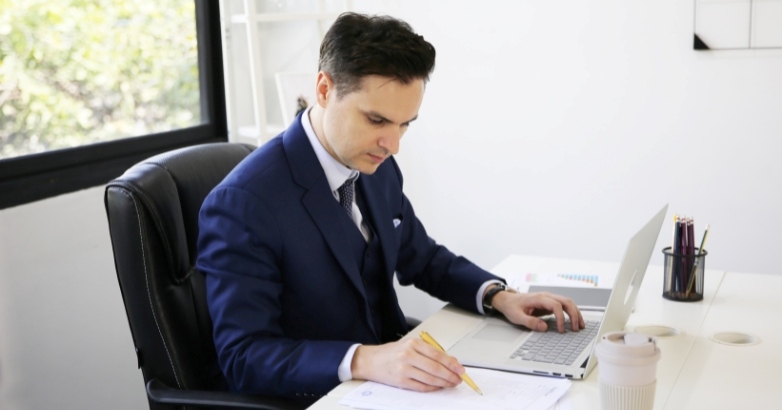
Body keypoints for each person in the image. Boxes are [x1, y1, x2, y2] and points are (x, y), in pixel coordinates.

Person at [197, 12, 584, 405]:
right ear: (324, 89)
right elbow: (244, 357)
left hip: (395, 389)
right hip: (321, 398)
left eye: (405, 125)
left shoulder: (374, 165)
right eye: (377, 119)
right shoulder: (243, 204)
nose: (392, 144)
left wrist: (498, 296)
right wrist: (365, 360)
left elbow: (422, 257)